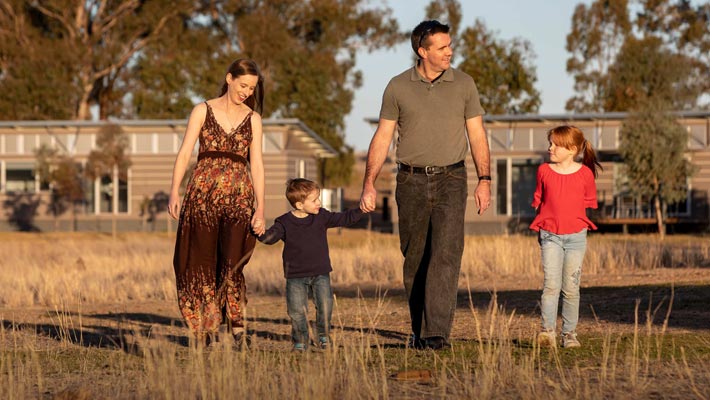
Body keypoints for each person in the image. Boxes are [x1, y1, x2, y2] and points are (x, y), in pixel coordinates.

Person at [359, 20, 491, 350]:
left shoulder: (464, 84)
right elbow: (383, 137)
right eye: (442, 47)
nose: (450, 51)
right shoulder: (397, 87)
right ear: (423, 51)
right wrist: (369, 184)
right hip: (410, 180)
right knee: (415, 258)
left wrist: (484, 179)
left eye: (449, 45)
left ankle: (435, 334)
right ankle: (419, 330)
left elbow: (476, 134)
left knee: (446, 254)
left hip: (453, 179)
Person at [168, 59, 266, 345]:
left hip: (239, 200)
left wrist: (260, 207)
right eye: (243, 85)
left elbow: (257, 164)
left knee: (233, 262)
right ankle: (205, 329)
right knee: (201, 263)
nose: (247, 92)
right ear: (229, 79)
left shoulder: (254, 119)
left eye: (252, 88)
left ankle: (238, 329)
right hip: (201, 198)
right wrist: (175, 191)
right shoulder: (202, 110)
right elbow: (185, 152)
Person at [258, 178, 364, 351]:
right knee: (296, 311)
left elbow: (344, 218)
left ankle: (323, 336)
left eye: (318, 198)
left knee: (325, 306)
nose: (319, 203)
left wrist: (361, 209)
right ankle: (300, 340)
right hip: (295, 276)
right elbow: (269, 239)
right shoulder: (283, 222)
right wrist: (257, 229)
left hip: (321, 273)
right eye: (314, 200)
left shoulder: (321, 216)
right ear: (299, 205)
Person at [530, 125, 602, 349]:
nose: (550, 148)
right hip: (550, 235)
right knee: (550, 285)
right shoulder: (543, 170)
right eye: (550, 143)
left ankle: (569, 334)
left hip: (576, 238)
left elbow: (586, 204)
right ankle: (547, 332)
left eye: (555, 144)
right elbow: (539, 202)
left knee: (571, 288)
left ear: (571, 149)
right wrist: (542, 231)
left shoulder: (585, 174)